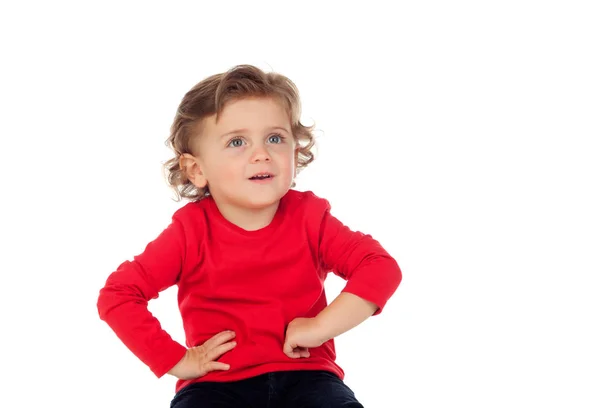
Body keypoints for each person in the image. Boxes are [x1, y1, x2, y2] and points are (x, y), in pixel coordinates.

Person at [97, 64, 402, 407]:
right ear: (197, 169)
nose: (262, 154)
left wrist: (319, 328)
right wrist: (177, 360)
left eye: (275, 138)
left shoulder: (310, 218)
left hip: (309, 377)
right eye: (237, 142)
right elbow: (119, 295)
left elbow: (379, 266)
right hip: (216, 385)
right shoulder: (189, 232)